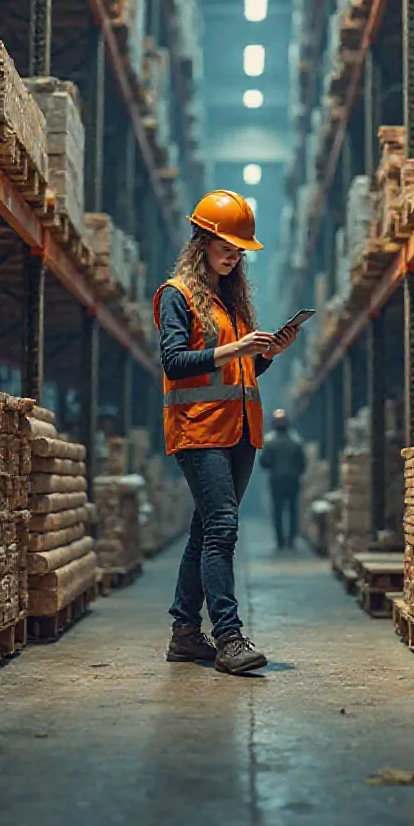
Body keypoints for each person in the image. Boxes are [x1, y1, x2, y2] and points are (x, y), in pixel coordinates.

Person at [153, 189, 299, 675]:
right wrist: (237, 349)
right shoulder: (178, 295)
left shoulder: (230, 304)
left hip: (238, 432)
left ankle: (185, 634)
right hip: (199, 432)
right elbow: (175, 362)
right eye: (227, 246)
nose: (234, 255)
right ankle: (229, 636)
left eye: (240, 250)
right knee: (222, 529)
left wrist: (265, 355)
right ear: (203, 241)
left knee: (204, 530)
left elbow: (237, 374)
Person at [260, 409, 306, 550]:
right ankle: (291, 539)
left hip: (276, 480)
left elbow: (264, 462)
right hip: (293, 479)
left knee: (278, 509)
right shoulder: (295, 440)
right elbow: (302, 463)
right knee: (293, 509)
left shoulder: (270, 441)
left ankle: (280, 540)